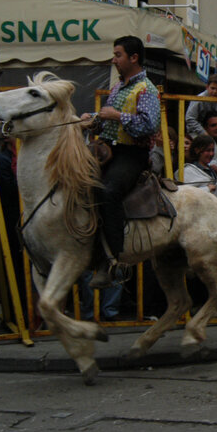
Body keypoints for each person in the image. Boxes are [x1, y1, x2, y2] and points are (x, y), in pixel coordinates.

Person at [79, 35, 161, 287]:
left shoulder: (146, 88)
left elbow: (150, 125)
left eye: (118, 55)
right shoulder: (118, 87)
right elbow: (106, 118)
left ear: (133, 58)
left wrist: (117, 116)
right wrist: (92, 119)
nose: (114, 59)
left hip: (131, 155)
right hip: (108, 151)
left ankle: (113, 261)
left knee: (110, 191)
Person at [185, 73, 217, 140]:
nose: (214, 92)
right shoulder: (199, 99)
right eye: (212, 88)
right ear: (207, 87)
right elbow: (190, 118)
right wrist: (204, 133)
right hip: (196, 133)